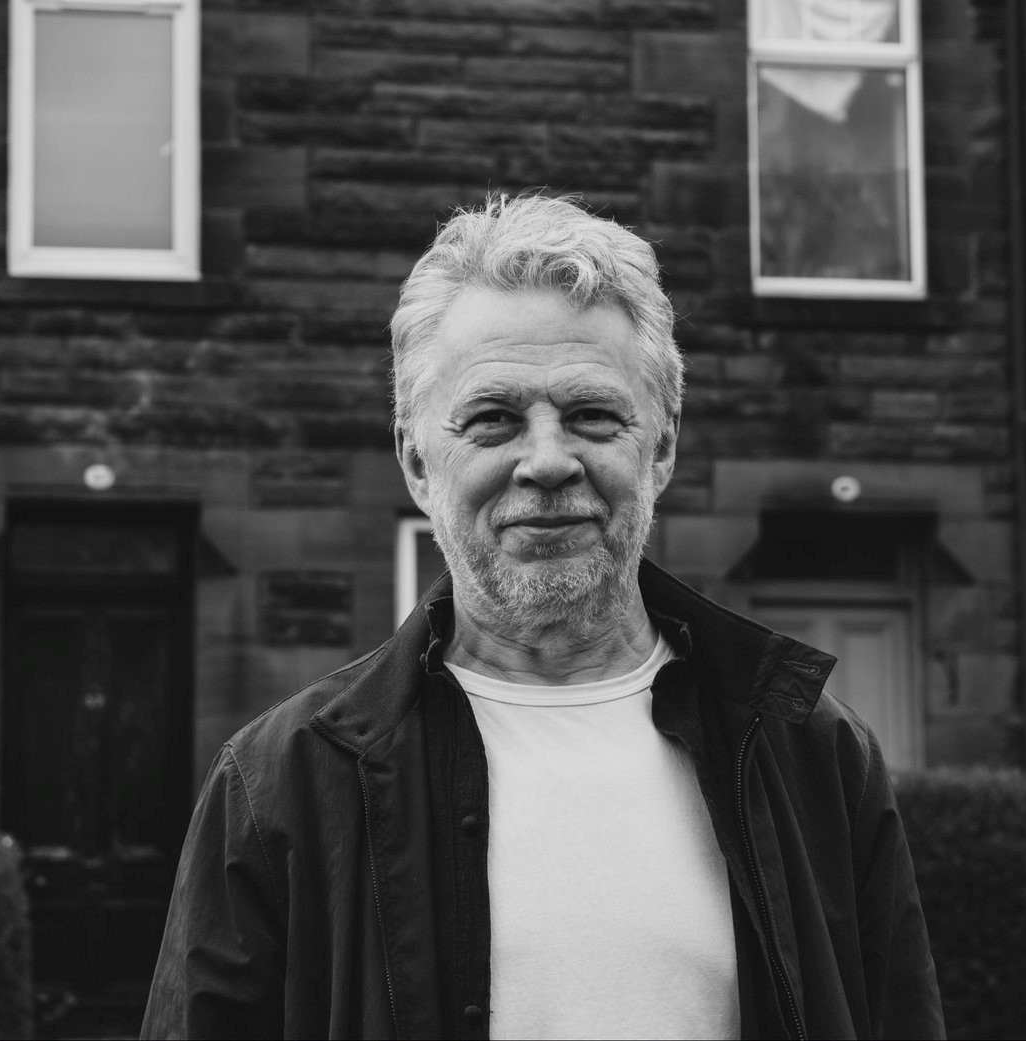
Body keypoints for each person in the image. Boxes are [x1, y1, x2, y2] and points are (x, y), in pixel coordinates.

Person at [141, 192, 945, 1040]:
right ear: (419, 461)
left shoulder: (811, 752)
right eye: (493, 419)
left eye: (592, 414)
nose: (549, 460)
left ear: (662, 446)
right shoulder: (283, 785)